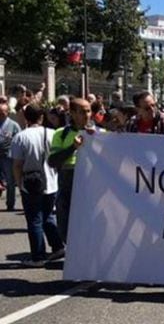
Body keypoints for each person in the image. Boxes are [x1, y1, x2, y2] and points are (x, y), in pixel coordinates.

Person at [10, 104, 64, 267]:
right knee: (48, 215)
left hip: (30, 182)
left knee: (34, 220)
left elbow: (17, 164)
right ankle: (57, 246)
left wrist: (19, 183)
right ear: (42, 117)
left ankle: (38, 256)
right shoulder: (52, 134)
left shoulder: (21, 137)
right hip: (52, 182)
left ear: (26, 118)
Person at [47, 98, 96, 244]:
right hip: (68, 185)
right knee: (66, 226)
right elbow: (52, 161)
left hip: (91, 186)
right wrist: (72, 147)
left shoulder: (100, 133)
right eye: (82, 112)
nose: (87, 115)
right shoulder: (61, 133)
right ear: (72, 113)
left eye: (89, 111)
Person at [0, 101, 22, 211]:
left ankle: (10, 203)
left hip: (8, 156)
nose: (1, 113)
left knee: (10, 180)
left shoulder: (14, 125)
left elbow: (19, 140)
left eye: (3, 111)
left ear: (7, 112)